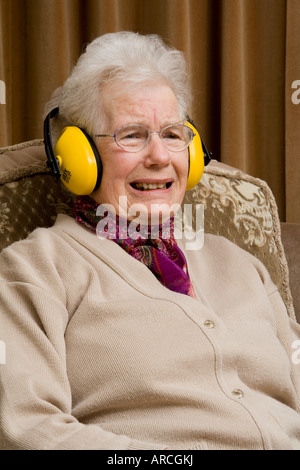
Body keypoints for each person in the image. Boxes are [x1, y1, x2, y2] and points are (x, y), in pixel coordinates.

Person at [0, 31, 300, 451]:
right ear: (79, 156)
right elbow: (27, 426)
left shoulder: (239, 263)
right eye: (132, 135)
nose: (160, 156)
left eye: (174, 135)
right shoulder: (35, 270)